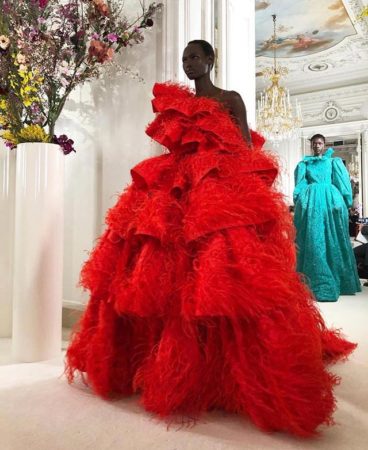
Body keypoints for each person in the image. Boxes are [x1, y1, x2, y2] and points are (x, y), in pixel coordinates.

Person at [66, 41, 356, 438]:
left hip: (219, 188)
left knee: (225, 273)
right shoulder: (177, 103)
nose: (188, 64)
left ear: (211, 61)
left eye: (195, 57)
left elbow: (242, 144)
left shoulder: (230, 98)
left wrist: (228, 179)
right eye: (184, 58)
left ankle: (230, 371)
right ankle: (161, 362)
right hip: (178, 188)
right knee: (161, 264)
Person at [293, 134, 361, 301]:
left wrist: (345, 201)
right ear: (311, 145)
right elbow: (301, 184)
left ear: (324, 145)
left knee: (333, 237)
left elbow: (342, 183)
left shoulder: (333, 162)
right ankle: (313, 279)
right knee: (314, 237)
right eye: (314, 143)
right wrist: (300, 199)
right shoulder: (304, 164)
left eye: (320, 143)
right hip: (311, 202)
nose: (317, 146)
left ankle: (338, 278)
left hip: (331, 201)